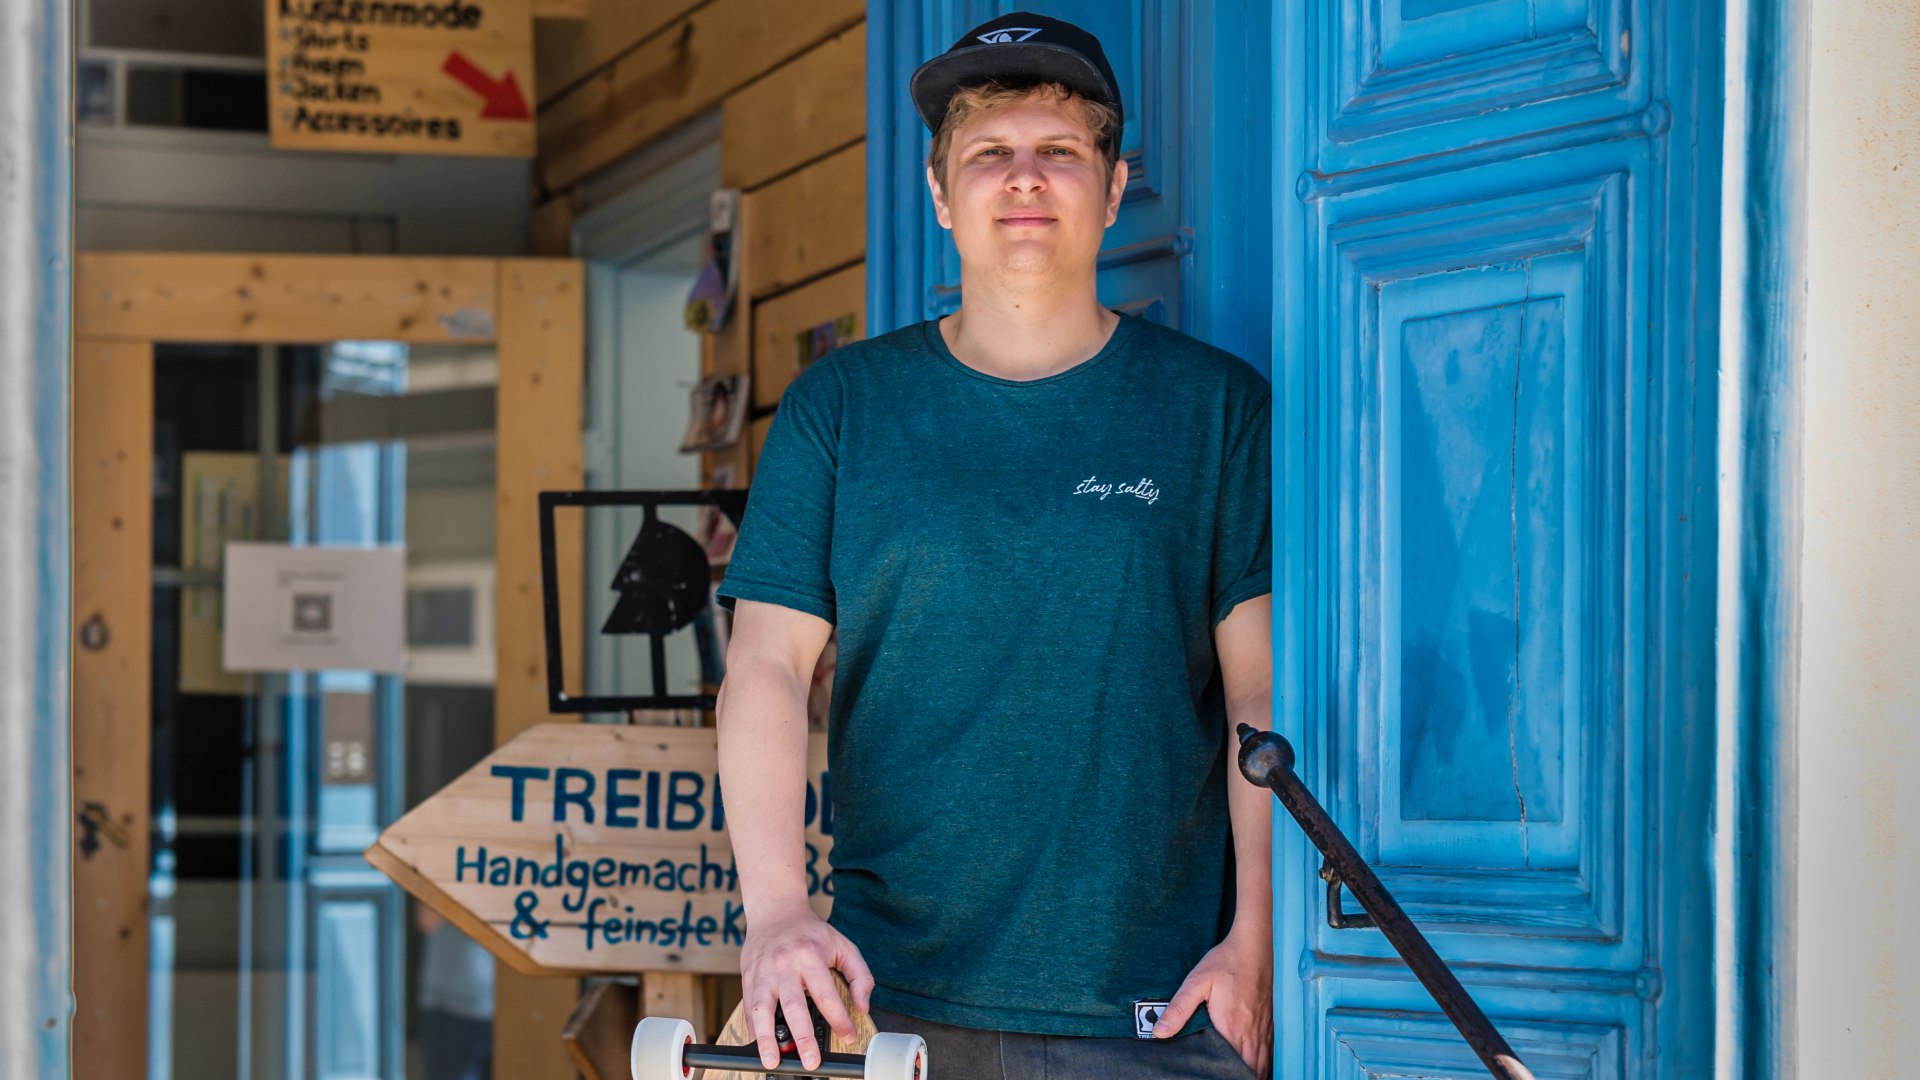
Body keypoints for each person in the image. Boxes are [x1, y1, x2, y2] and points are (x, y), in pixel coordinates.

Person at [713, 12, 1274, 1078]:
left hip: (1156, 1015)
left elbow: (1261, 697)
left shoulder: (1213, 411)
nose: (1025, 179)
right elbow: (767, 668)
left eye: (1061, 152)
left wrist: (1257, 941)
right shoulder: (842, 408)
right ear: (939, 194)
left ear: (1113, 191)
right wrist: (778, 912)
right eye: (989, 155)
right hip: (882, 1012)